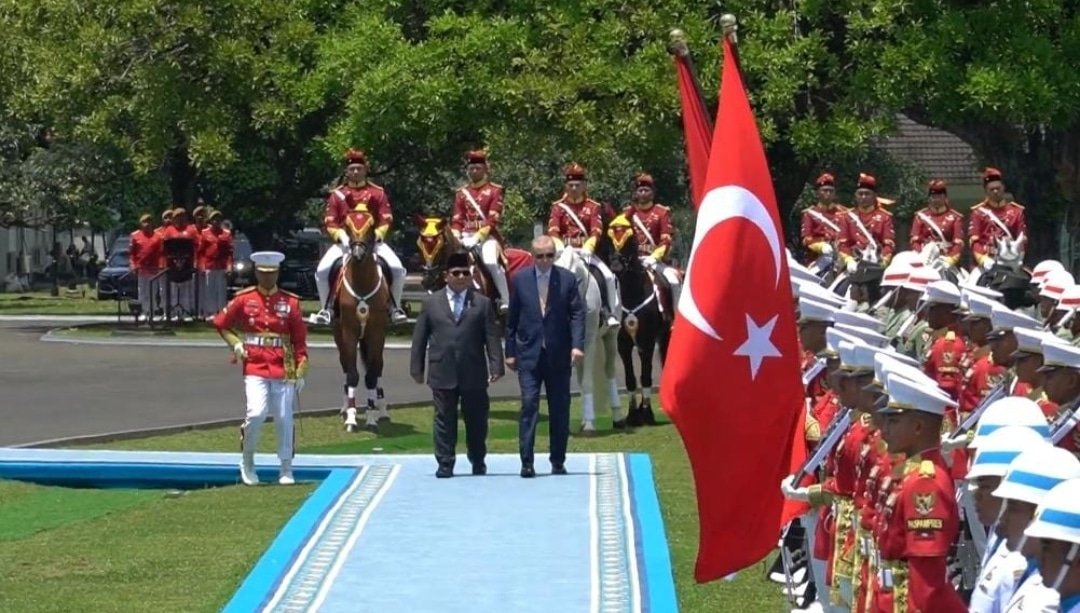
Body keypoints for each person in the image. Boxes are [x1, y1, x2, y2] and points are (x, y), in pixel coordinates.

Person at [212, 251, 309, 486]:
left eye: (272, 273)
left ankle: (286, 466)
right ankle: (247, 459)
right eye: (263, 274)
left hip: (282, 364)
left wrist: (301, 368)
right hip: (255, 363)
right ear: (256, 272)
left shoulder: (290, 302)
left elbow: (299, 340)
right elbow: (220, 324)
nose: (268, 278)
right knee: (256, 413)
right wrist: (236, 345)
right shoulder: (244, 299)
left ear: (278, 273)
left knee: (285, 417)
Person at [410, 252, 504, 478]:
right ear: (446, 276)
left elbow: (491, 337)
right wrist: (417, 368)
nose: (461, 277)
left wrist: (496, 366)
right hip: (442, 369)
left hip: (473, 371)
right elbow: (419, 338)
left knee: (477, 420)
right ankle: (445, 463)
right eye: (456, 273)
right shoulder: (431, 303)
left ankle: (478, 459)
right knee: (444, 419)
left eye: (465, 273)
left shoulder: (481, 303)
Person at [505, 235, 585, 478]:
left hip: (558, 354)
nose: (545, 260)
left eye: (549, 255)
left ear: (555, 255)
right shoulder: (520, 279)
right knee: (529, 405)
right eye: (540, 256)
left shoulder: (567, 279)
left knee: (560, 408)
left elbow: (577, 314)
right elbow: (512, 319)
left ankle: (557, 460)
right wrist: (510, 351)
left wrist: (577, 345)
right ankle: (527, 462)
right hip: (529, 353)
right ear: (533, 256)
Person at [312, 148, 407, 325]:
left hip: (372, 242)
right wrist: (340, 235)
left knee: (397, 269)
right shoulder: (337, 195)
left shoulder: (377, 193)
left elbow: (386, 217)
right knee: (322, 271)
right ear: (346, 172)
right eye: (352, 169)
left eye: (359, 168)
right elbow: (330, 220)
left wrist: (379, 234)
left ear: (365, 170)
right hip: (345, 243)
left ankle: (395, 308)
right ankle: (327, 309)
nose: (355, 172)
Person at [547, 162, 620, 328]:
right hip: (564, 252)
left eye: (577, 185)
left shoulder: (593, 207)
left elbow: (596, 230)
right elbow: (553, 230)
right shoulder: (558, 207)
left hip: (586, 252)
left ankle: (609, 313)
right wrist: (559, 247)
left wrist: (588, 247)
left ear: (584, 185)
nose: (573, 188)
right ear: (566, 185)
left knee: (608, 276)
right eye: (570, 185)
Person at [451, 149, 510, 314]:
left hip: (486, 237)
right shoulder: (461, 193)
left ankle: (505, 299)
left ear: (485, 169)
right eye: (471, 168)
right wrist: (456, 235)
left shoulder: (495, 190)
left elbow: (493, 219)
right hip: (464, 237)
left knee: (491, 261)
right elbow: (457, 219)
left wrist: (477, 236)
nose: (474, 171)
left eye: (477, 168)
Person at [622, 172, 682, 311]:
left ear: (653, 192)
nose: (643, 193)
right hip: (633, 261)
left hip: (655, 261)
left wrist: (654, 257)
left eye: (646, 190)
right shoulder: (629, 214)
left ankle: (677, 319)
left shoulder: (662, 212)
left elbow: (666, 239)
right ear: (635, 193)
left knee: (673, 280)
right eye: (640, 190)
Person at [969, 167, 1027, 271]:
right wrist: (983, 259)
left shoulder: (1016, 212)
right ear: (986, 191)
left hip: (1012, 260)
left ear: (1003, 188)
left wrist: (1018, 258)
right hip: (987, 260)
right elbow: (974, 242)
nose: (995, 191)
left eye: (998, 188)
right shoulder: (978, 212)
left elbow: (1022, 240)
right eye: (991, 189)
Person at [839, 172, 895, 270]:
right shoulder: (846, 217)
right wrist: (848, 260)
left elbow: (889, 244)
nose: (863, 197)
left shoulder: (885, 217)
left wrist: (883, 260)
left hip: (877, 263)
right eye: (860, 194)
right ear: (855, 196)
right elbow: (843, 244)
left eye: (867, 194)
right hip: (854, 262)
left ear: (874, 196)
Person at [908, 179, 965, 271]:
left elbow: (958, 243)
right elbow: (915, 241)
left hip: (946, 260)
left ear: (945, 197)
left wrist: (950, 259)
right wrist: (920, 255)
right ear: (929, 198)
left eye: (939, 196)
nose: (936, 199)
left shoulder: (955, 217)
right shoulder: (920, 217)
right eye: (933, 196)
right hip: (924, 258)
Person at [799, 172, 848, 270]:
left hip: (842, 256)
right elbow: (806, 239)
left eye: (831, 191)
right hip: (820, 257)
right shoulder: (810, 213)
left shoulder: (844, 212)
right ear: (818, 192)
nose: (828, 193)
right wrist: (821, 246)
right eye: (825, 190)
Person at [199, 210, 233, 315]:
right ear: (211, 220)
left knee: (221, 291)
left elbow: (230, 253)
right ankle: (210, 312)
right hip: (209, 265)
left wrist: (229, 267)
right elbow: (201, 252)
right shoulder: (205, 233)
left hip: (222, 265)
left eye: (218, 219)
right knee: (209, 290)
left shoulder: (226, 234)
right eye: (214, 219)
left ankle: (222, 313)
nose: (216, 221)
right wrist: (201, 266)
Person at [129, 213, 163, 318]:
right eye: (144, 222)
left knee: (153, 291)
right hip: (141, 268)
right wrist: (132, 265)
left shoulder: (158, 236)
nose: (147, 224)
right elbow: (131, 254)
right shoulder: (135, 236)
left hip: (154, 269)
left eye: (149, 222)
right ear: (140, 224)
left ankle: (152, 312)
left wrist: (161, 266)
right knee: (142, 291)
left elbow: (162, 253)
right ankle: (144, 311)